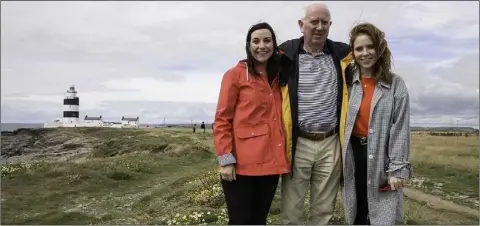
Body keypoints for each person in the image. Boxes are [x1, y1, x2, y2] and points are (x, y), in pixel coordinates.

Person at [278, 2, 351, 225]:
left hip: (330, 143)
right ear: (301, 25)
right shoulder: (285, 55)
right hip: (298, 143)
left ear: (330, 25)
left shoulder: (343, 55)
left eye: (324, 22)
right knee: (292, 211)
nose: (319, 27)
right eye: (314, 22)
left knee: (324, 212)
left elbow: (372, 55)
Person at [213, 22, 290, 225]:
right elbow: (222, 120)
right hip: (240, 166)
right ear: (248, 45)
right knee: (240, 220)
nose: (261, 46)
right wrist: (226, 159)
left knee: (259, 220)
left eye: (267, 40)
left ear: (274, 44)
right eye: (256, 41)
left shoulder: (279, 74)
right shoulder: (235, 75)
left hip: (270, 163)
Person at [340, 22, 412, 225]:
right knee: (357, 212)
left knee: (382, 215)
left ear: (379, 48)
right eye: (359, 48)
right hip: (353, 157)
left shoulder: (395, 84)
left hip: (382, 157)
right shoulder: (348, 83)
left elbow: (400, 128)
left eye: (370, 46)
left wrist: (397, 169)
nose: (365, 53)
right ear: (353, 52)